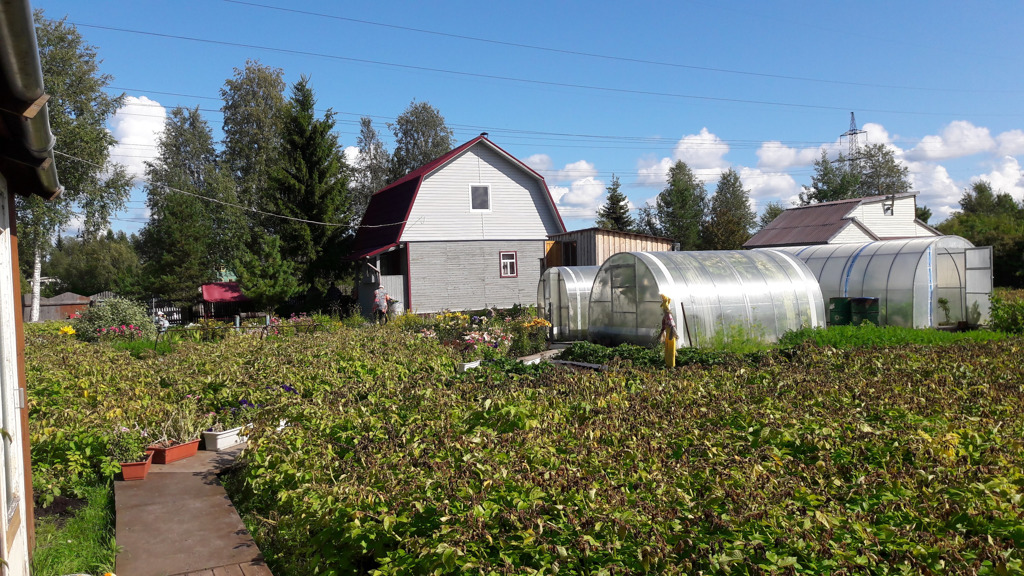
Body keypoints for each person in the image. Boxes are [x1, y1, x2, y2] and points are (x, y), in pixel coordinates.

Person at [657, 294, 678, 368]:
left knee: (671, 349)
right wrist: (662, 333)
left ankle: (671, 365)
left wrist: (672, 334)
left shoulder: (668, 316)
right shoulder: (666, 316)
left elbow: (672, 326)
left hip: (670, 334)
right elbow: (664, 326)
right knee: (668, 348)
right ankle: (668, 364)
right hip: (668, 333)